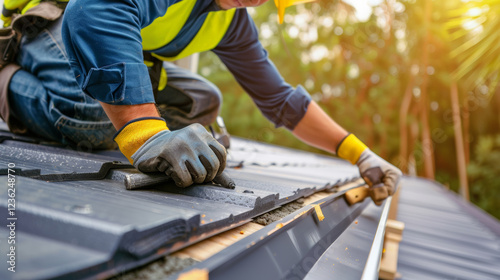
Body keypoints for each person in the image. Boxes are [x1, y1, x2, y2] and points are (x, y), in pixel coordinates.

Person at [4, 0, 401, 205]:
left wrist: (360, 155)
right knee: (95, 115)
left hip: (94, 31)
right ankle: (5, 78)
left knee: (204, 100)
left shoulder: (232, 20)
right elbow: (94, 11)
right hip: (47, 24)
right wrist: (144, 132)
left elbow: (280, 100)